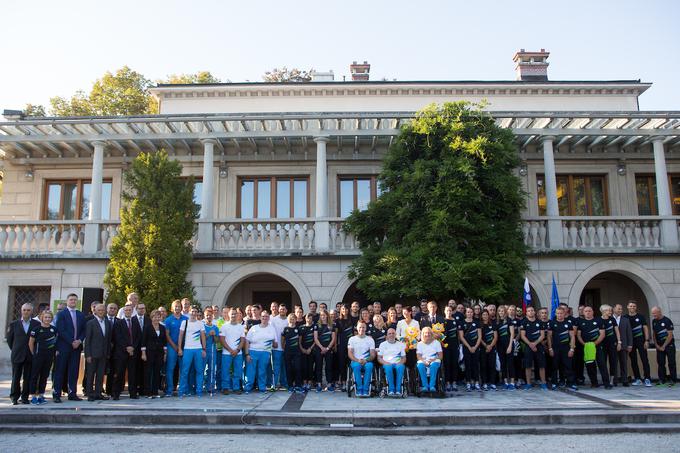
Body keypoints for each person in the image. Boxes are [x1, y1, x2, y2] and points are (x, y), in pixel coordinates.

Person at [53, 293, 87, 402]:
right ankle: (57, 394)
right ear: (67, 301)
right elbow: (60, 330)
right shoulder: (61, 314)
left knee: (74, 371)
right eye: (71, 300)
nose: (73, 301)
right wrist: (71, 341)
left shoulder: (81, 314)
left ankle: (72, 393)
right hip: (64, 346)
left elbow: (84, 330)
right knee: (60, 370)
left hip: (76, 348)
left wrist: (79, 341)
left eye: (75, 300)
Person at [7, 303, 40, 405]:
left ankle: (25, 397)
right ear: (21, 311)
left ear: (31, 312)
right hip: (17, 355)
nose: (26, 312)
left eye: (28, 310)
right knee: (16, 377)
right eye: (24, 310)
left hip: (30, 355)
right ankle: (14, 397)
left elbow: (37, 340)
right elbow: (10, 340)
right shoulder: (14, 324)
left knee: (27, 378)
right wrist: (16, 349)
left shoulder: (36, 324)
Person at [112, 304, 142, 400]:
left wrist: (133, 347)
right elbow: (118, 337)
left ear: (132, 311)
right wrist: (127, 347)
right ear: (124, 311)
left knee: (132, 374)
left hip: (133, 353)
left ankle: (133, 393)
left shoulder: (135, 322)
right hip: (121, 353)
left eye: (130, 310)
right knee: (119, 373)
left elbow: (138, 337)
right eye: (126, 310)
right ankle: (116, 393)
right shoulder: (119, 323)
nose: (128, 312)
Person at [577, 306, 611, 389]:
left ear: (593, 312)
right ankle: (594, 383)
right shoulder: (580, 323)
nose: (588, 312)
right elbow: (578, 335)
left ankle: (607, 383)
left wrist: (595, 343)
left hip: (598, 347)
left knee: (602, 365)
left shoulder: (598, 321)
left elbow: (602, 334)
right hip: (587, 347)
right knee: (590, 366)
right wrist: (584, 344)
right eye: (586, 311)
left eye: (589, 311)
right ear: (583, 313)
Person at [84, 303, 112, 401]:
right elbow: (87, 340)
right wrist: (87, 354)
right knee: (91, 374)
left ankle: (98, 393)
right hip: (92, 354)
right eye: (99, 310)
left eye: (102, 310)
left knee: (100, 375)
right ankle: (90, 394)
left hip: (103, 354)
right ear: (95, 311)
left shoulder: (107, 323)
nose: (101, 312)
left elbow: (108, 339)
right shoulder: (90, 323)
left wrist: (108, 353)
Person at [27, 310, 57, 404]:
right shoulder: (36, 329)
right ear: (42, 318)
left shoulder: (54, 329)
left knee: (44, 376)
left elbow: (55, 342)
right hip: (38, 356)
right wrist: (34, 354)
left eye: (49, 317)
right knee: (35, 375)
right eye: (45, 317)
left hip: (49, 357)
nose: (47, 319)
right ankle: (33, 396)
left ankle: (41, 395)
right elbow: (31, 343)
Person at [244, 310, 277, 393]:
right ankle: (248, 388)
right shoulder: (254, 328)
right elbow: (247, 341)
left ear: (269, 318)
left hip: (265, 352)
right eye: (263, 316)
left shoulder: (272, 329)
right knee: (250, 371)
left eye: (266, 316)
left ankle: (262, 388)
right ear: (260, 317)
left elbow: (275, 344)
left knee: (262, 371)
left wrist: (273, 343)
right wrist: (247, 354)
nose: (264, 318)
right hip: (253, 351)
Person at [178, 307, 207, 398]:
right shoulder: (184, 322)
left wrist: (204, 349)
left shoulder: (200, 323)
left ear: (197, 313)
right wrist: (179, 349)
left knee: (199, 371)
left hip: (198, 349)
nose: (194, 313)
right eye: (192, 311)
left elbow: (203, 337)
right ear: (189, 312)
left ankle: (199, 391)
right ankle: (182, 391)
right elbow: (180, 336)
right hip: (187, 349)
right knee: (185, 371)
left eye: (195, 312)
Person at [547, 306, 577, 390]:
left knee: (568, 366)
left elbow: (572, 337)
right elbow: (549, 337)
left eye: (561, 313)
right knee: (554, 366)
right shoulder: (552, 323)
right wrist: (550, 349)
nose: (559, 315)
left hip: (566, 348)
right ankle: (554, 383)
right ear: (556, 314)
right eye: (558, 313)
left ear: (564, 314)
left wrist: (571, 349)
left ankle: (570, 383)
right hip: (555, 348)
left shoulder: (569, 323)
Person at [519, 306, 548, 390]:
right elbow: (522, 336)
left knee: (541, 365)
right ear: (526, 313)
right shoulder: (524, 322)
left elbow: (542, 335)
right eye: (529, 311)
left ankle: (543, 383)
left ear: (535, 312)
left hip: (538, 346)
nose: (531, 312)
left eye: (532, 310)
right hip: (528, 346)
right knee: (528, 366)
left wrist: (534, 344)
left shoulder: (540, 322)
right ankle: (528, 384)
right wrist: (530, 344)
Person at [141, 309, 167, 398]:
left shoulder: (162, 327)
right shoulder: (147, 327)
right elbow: (143, 341)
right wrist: (143, 353)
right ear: (151, 317)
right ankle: (148, 392)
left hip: (159, 353)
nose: (156, 318)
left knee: (157, 372)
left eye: (158, 317)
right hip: (149, 352)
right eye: (154, 317)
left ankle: (155, 392)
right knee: (148, 372)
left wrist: (165, 353)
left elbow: (164, 341)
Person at [219, 307, 245, 394]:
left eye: (235, 313)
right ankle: (225, 387)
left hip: (238, 353)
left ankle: (236, 387)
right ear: (229, 315)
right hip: (226, 353)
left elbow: (242, 340)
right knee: (225, 371)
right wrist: (230, 350)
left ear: (237, 315)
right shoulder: (224, 326)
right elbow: (222, 340)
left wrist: (237, 350)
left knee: (237, 371)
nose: (233, 315)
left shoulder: (241, 327)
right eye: (232, 314)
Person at [164, 300, 188, 396]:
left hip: (184, 347)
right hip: (172, 347)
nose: (177, 308)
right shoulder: (168, 320)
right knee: (170, 369)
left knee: (183, 369)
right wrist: (176, 347)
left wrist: (180, 347)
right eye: (175, 306)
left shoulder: (186, 319)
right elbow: (167, 335)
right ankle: (169, 390)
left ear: (181, 308)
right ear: (172, 308)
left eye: (179, 306)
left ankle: (182, 390)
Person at [626, 301, 652, 387]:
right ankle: (637, 379)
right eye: (631, 306)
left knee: (644, 359)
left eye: (634, 306)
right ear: (628, 307)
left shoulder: (640, 317)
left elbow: (645, 328)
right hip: (631, 343)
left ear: (636, 308)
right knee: (633, 361)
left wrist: (647, 340)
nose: (632, 307)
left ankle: (647, 378)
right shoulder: (625, 317)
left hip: (641, 341)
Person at [348, 321, 376, 397]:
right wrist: (357, 360)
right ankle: (359, 389)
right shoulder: (352, 339)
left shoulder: (370, 340)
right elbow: (350, 353)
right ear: (357, 328)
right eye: (360, 327)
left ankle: (366, 389)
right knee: (356, 366)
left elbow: (373, 354)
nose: (362, 329)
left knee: (369, 366)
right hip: (356, 361)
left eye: (363, 327)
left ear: (366, 328)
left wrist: (366, 360)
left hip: (367, 361)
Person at [377, 327, 407, 396]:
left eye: (393, 333)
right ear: (387, 335)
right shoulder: (382, 344)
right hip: (387, 363)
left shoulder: (400, 344)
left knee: (400, 367)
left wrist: (400, 362)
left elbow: (404, 358)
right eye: (389, 333)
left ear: (395, 334)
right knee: (388, 367)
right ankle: (391, 389)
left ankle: (398, 390)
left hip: (398, 363)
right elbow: (379, 358)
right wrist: (385, 363)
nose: (391, 335)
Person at [651, 306, 676, 386]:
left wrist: (664, 346)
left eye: (654, 313)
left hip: (669, 345)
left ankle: (673, 380)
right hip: (659, 346)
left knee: (671, 363)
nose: (653, 315)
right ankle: (662, 379)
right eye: (652, 313)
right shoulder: (654, 321)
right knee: (661, 363)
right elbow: (654, 334)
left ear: (659, 312)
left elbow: (670, 335)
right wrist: (656, 345)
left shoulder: (667, 321)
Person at [313, 309, 336, 392]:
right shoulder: (316, 325)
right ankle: (319, 384)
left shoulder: (331, 325)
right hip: (319, 349)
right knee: (318, 367)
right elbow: (315, 338)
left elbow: (333, 339)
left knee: (328, 367)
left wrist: (327, 348)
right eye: (321, 315)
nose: (323, 317)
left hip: (328, 349)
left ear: (327, 316)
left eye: (324, 315)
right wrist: (322, 347)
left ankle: (329, 384)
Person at [459, 307, 481, 392]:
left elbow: (479, 336)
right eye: (468, 312)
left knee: (475, 365)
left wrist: (475, 347)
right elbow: (461, 337)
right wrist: (469, 347)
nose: (469, 313)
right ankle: (468, 382)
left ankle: (476, 382)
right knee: (467, 365)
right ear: (465, 313)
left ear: (473, 313)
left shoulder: (477, 323)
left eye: (471, 312)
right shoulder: (462, 323)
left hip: (475, 347)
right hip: (466, 347)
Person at [416, 327, 443, 393]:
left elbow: (440, 355)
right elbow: (418, 356)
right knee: (420, 366)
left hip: (434, 359)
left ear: (431, 334)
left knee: (433, 366)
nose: (427, 334)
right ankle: (425, 386)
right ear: (423, 334)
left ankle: (432, 386)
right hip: (424, 359)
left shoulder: (436, 343)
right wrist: (424, 361)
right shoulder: (419, 344)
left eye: (429, 333)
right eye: (426, 333)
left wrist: (433, 359)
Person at [600, 305, 621, 388]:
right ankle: (605, 380)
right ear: (604, 311)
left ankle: (612, 380)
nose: (610, 312)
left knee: (613, 362)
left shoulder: (612, 319)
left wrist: (619, 342)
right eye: (609, 310)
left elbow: (617, 331)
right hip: (602, 345)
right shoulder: (598, 320)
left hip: (612, 344)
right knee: (603, 362)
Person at [282, 314, 303, 393]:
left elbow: (300, 341)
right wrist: (284, 348)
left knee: (297, 368)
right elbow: (283, 340)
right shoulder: (285, 329)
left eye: (293, 319)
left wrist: (300, 348)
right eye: (290, 319)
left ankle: (298, 385)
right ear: (288, 320)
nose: (292, 320)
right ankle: (290, 386)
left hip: (297, 352)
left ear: (296, 319)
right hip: (287, 352)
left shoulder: (298, 329)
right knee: (288, 369)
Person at [334, 304, 354, 391]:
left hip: (351, 345)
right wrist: (335, 345)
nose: (344, 310)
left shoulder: (352, 320)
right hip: (341, 345)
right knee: (341, 364)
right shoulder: (337, 321)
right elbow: (335, 335)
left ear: (348, 310)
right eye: (343, 309)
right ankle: (343, 382)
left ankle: (350, 382)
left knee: (350, 364)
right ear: (340, 310)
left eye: (346, 309)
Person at [497, 305, 516, 390]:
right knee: (503, 364)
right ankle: (505, 382)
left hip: (509, 345)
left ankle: (512, 382)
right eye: (500, 311)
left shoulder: (509, 321)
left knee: (510, 364)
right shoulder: (497, 322)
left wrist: (510, 346)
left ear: (505, 312)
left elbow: (512, 334)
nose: (501, 312)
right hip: (500, 346)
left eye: (502, 311)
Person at [613, 303, 632, 386]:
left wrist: (630, 345)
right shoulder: (610, 319)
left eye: (621, 309)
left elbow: (629, 333)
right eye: (618, 308)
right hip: (613, 346)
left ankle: (624, 380)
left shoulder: (626, 320)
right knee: (614, 363)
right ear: (614, 309)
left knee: (624, 363)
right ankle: (615, 380)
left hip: (624, 345)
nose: (620, 310)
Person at [203, 308, 220, 394]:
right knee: (201, 368)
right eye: (207, 315)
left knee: (212, 368)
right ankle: (200, 386)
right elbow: (201, 339)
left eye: (210, 315)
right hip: (204, 350)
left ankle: (210, 387)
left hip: (212, 350)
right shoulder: (202, 326)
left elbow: (217, 340)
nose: (208, 317)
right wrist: (208, 334)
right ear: (204, 316)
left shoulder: (215, 327)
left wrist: (214, 335)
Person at [480, 310, 498, 391]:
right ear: (481, 316)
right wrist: (486, 346)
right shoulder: (479, 325)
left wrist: (490, 346)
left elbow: (495, 337)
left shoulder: (493, 325)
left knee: (492, 365)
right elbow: (479, 338)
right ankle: (484, 383)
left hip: (492, 347)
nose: (485, 316)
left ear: (488, 315)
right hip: (483, 348)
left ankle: (493, 383)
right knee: (483, 366)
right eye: (483, 315)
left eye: (486, 314)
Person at [442, 305, 459, 392]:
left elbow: (458, 335)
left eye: (450, 310)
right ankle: (448, 382)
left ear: (452, 312)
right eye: (447, 310)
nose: (449, 312)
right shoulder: (442, 321)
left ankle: (454, 382)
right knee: (447, 364)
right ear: (445, 312)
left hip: (455, 346)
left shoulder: (456, 321)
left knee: (454, 364)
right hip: (445, 347)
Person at [299, 313, 316, 392]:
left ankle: (309, 383)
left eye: (310, 318)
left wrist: (310, 348)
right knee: (304, 367)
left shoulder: (314, 327)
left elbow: (315, 340)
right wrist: (302, 349)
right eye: (307, 317)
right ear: (305, 318)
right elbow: (299, 340)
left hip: (311, 350)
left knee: (310, 367)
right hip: (303, 350)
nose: (309, 319)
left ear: (312, 319)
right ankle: (304, 383)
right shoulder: (301, 327)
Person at [104, 303, 119, 397]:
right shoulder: (102, 320)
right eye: (111, 308)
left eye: (114, 308)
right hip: (103, 350)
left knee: (113, 371)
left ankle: (111, 390)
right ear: (107, 309)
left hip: (116, 351)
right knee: (100, 371)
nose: (112, 310)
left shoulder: (119, 321)